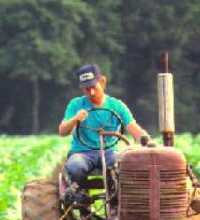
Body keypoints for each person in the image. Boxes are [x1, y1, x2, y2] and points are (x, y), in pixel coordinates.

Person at [58, 63, 152, 204]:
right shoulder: (75, 105)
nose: (91, 93)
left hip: (109, 152)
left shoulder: (117, 106)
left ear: (102, 82)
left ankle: (117, 198)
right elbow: (62, 131)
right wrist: (74, 119)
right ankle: (80, 195)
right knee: (75, 165)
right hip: (82, 152)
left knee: (122, 164)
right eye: (86, 89)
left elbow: (134, 128)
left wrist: (147, 141)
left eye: (94, 87)